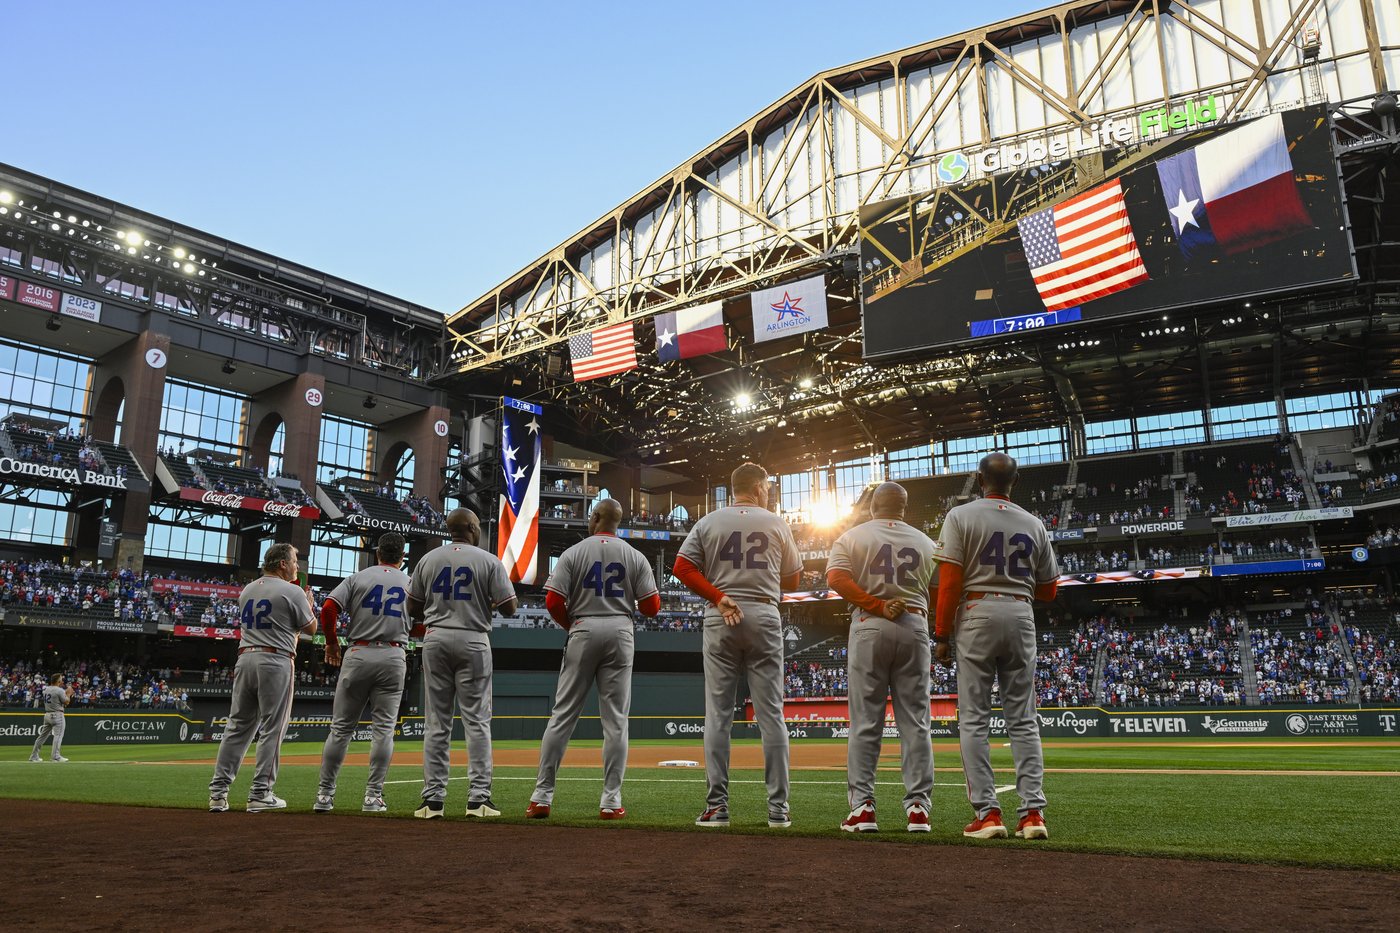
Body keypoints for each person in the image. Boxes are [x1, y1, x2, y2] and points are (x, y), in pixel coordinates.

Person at [932, 453, 1059, 840]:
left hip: (977, 610)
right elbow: (1050, 590)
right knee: (1023, 719)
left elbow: (950, 581)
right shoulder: (1033, 523)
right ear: (1015, 481)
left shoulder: (961, 516)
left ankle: (988, 814)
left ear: (978, 478)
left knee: (974, 719)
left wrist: (941, 635)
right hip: (1021, 612)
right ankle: (1033, 814)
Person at [673, 461, 802, 828]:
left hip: (721, 614)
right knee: (772, 716)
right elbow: (792, 581)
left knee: (718, 715)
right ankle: (778, 809)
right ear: (759, 487)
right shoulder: (776, 523)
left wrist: (719, 596)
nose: (770, 492)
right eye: (768, 487)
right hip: (764, 613)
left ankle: (717, 807)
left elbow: (682, 568)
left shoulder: (709, 521)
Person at [526, 498, 660, 820]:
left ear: (596, 517)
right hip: (620, 629)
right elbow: (652, 607)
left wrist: (572, 625)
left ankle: (542, 797)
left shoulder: (574, 553)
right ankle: (611, 802)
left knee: (562, 716)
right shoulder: (635, 555)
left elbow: (553, 601)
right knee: (615, 722)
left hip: (583, 626)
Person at [824, 482, 937, 833]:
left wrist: (877, 604)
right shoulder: (927, 542)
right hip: (915, 625)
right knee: (916, 722)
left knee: (865, 722)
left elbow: (837, 579)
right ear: (905, 507)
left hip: (870, 624)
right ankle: (918, 808)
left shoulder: (853, 536)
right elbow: (939, 588)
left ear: (873, 505)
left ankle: (863, 808)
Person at [407, 508, 517, 819]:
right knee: (477, 722)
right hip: (473, 637)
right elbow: (510, 608)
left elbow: (411, 605)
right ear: (471, 527)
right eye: (478, 525)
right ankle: (479, 799)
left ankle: (432, 802)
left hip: (436, 636)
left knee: (437, 723)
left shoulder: (429, 559)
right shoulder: (488, 560)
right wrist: (485, 599)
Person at [208, 543, 317, 813]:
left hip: (245, 657)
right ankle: (260, 793)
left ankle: (218, 794)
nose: (296, 567)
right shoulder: (293, 591)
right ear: (282, 564)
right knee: (273, 728)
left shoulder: (248, 589)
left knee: (236, 728)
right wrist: (309, 604)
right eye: (294, 561)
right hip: (276, 659)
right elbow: (311, 629)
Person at [314, 533, 412, 814]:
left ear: (377, 553)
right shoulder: (410, 582)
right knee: (383, 732)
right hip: (393, 654)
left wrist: (332, 642)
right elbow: (422, 624)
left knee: (341, 729)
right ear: (402, 557)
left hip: (358, 652)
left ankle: (324, 796)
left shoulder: (359, 577)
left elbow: (329, 607)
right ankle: (372, 797)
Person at [28, 673, 75, 762]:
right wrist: (68, 694)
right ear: (58, 681)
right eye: (61, 679)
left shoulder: (46, 689)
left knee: (42, 736)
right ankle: (56, 756)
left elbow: (56, 697)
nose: (62, 680)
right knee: (58, 735)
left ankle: (34, 756)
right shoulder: (59, 690)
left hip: (47, 715)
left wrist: (65, 693)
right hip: (57, 715)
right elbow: (66, 702)